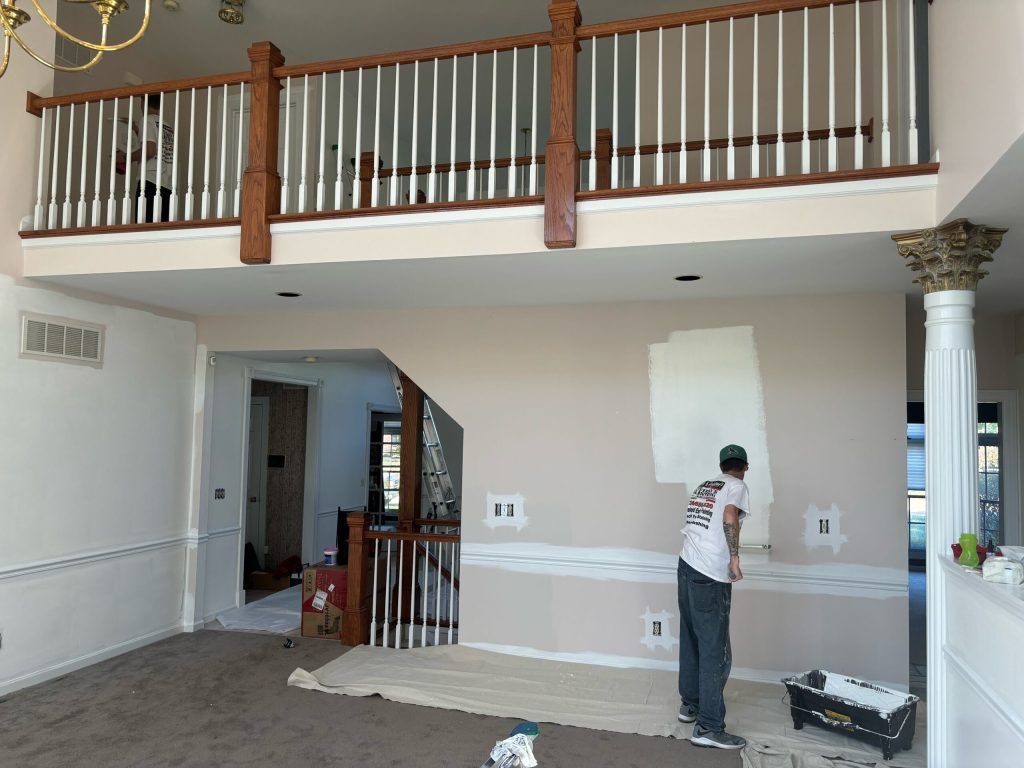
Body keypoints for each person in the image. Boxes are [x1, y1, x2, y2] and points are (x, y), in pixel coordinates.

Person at [677, 444, 750, 750]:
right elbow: (730, 515)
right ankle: (708, 727)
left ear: (721, 465)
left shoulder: (706, 486)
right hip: (709, 575)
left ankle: (690, 706)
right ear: (744, 467)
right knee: (716, 653)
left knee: (692, 639)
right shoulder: (737, 486)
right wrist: (734, 558)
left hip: (686, 566)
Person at [115, 94, 174, 223]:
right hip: (167, 186)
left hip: (149, 184)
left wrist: (125, 157)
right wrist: (137, 130)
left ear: (143, 103)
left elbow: (150, 150)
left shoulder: (146, 120)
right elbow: (157, 146)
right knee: (160, 230)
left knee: (144, 228)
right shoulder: (167, 126)